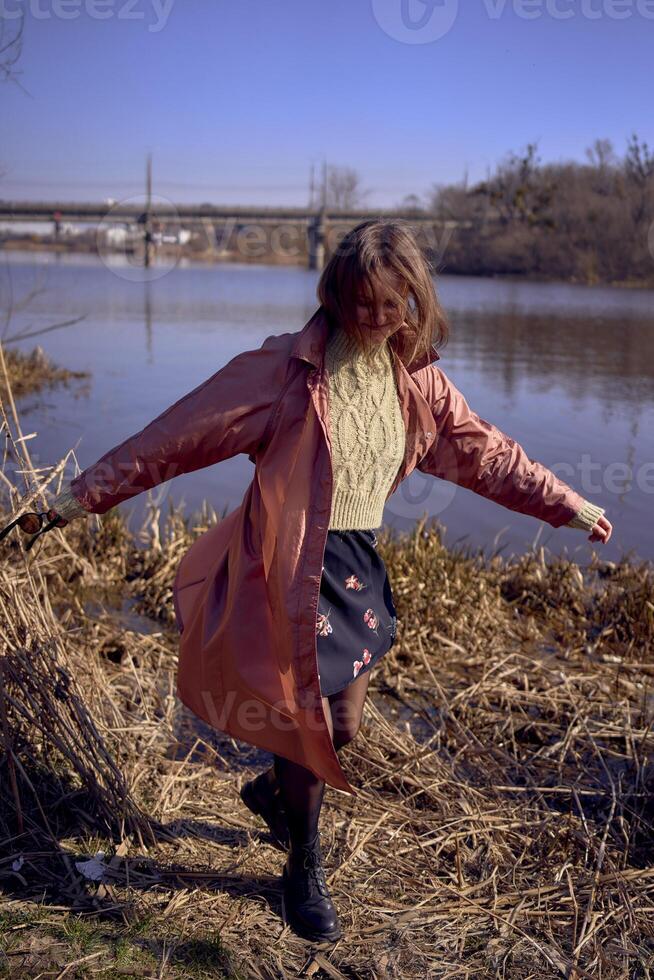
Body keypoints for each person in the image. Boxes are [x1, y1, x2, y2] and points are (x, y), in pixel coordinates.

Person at [48, 219, 612, 944]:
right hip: (290, 564)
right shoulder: (283, 372)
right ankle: (302, 865)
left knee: (340, 724)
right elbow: (174, 436)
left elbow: (490, 456)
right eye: (360, 302)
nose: (374, 319)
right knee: (309, 726)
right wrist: (82, 495)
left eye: (390, 303)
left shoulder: (419, 382)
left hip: (356, 562)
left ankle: (271, 791)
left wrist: (567, 504)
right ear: (335, 294)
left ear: (412, 297)